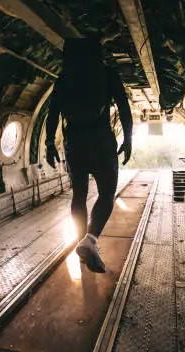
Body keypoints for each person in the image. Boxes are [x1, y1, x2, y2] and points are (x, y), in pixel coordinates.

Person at [45, 37, 133, 273]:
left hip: (74, 143)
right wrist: (128, 139)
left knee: (79, 195)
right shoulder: (107, 74)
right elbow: (124, 108)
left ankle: (81, 241)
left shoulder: (63, 79)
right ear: (99, 54)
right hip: (102, 142)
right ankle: (90, 240)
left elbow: (52, 113)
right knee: (106, 193)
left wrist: (49, 144)